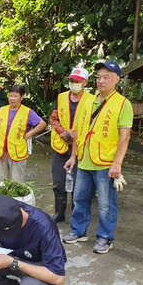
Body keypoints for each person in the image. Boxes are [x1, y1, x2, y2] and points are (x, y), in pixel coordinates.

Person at [63, 60, 132, 254]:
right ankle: (79, 231)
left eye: (106, 77)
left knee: (106, 204)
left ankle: (105, 238)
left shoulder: (123, 104)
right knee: (79, 199)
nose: (101, 81)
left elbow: (124, 137)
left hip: (105, 163)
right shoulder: (88, 101)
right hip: (85, 160)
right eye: (99, 77)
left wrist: (117, 163)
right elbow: (78, 132)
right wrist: (73, 157)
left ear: (117, 80)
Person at [49, 67, 94, 223]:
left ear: (85, 82)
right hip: (61, 145)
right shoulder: (61, 97)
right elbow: (54, 118)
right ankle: (59, 213)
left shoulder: (92, 100)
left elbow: (92, 123)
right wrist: (64, 133)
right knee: (59, 180)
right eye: (72, 80)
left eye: (78, 81)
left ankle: (77, 215)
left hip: (81, 148)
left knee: (79, 185)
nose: (74, 83)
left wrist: (73, 134)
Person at [0, 84, 47, 183]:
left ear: (22, 97)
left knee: (17, 182)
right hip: (1, 151)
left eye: (16, 96)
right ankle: (3, 198)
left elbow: (42, 124)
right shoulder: (1, 110)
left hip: (17, 151)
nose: (12, 99)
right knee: (2, 181)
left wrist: (29, 134)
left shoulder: (27, 112)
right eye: (10, 96)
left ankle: (16, 199)